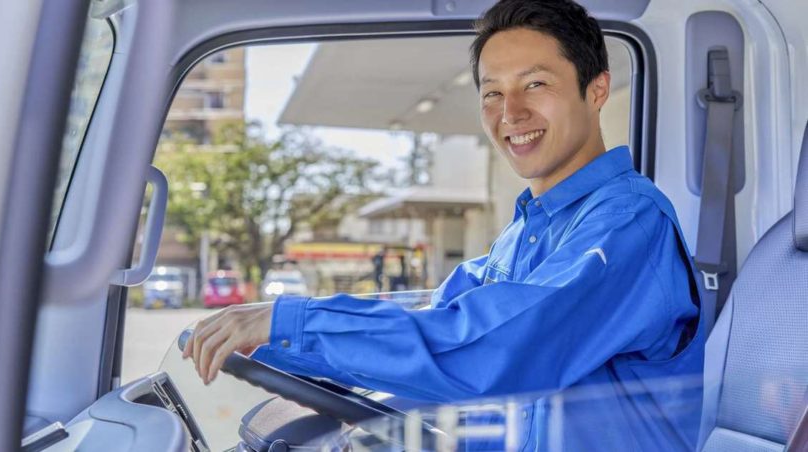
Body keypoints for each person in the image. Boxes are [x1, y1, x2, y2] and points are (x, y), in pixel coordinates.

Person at [183, 0, 704, 449]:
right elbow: (435, 323)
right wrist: (274, 345)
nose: (510, 112)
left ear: (596, 89)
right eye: (492, 92)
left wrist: (293, 323)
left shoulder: (629, 224)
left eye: (535, 84)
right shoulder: (529, 228)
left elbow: (490, 352)